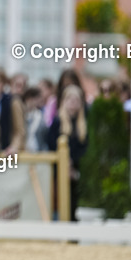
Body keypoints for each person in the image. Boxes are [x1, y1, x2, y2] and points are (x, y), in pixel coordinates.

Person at [47, 84, 88, 221]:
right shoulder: (57, 122)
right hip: (59, 171)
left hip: (76, 172)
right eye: (70, 99)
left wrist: (73, 163)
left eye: (76, 100)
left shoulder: (83, 124)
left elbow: (84, 147)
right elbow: (51, 144)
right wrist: (65, 163)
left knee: (74, 203)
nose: (73, 103)